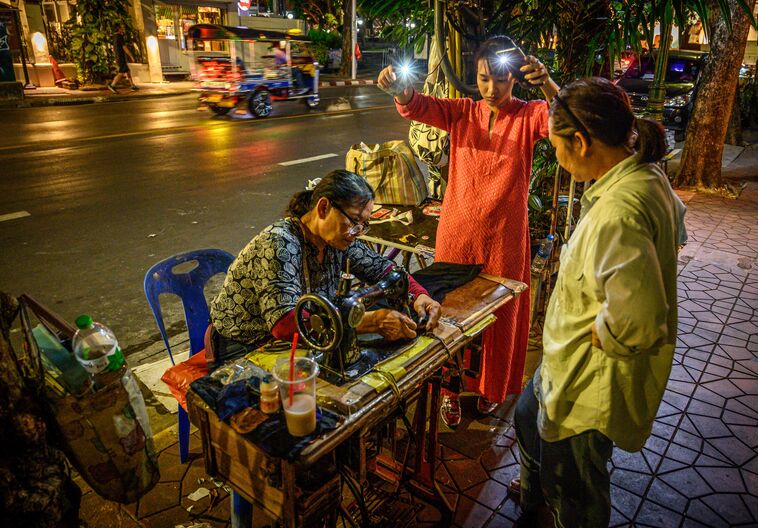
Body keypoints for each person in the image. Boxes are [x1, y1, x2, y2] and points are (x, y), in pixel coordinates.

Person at [510, 77, 685, 527]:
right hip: (563, 365)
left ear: (581, 143)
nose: (556, 157)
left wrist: (599, 332)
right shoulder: (645, 175)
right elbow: (677, 232)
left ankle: (562, 507)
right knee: (528, 416)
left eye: (556, 146)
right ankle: (534, 495)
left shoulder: (617, 213)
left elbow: (642, 320)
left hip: (588, 378)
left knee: (579, 483)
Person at [377, 36, 559, 427]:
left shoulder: (530, 115)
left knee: (500, 317)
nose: (492, 90)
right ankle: (447, 391)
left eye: (501, 80)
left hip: (505, 237)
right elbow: (419, 106)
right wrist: (401, 88)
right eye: (483, 79)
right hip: (457, 233)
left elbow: (566, 118)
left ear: (515, 79)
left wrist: (546, 82)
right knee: (448, 315)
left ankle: (490, 390)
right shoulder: (461, 112)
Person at [209, 169, 442, 368]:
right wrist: (370, 322)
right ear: (323, 208)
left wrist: (420, 296)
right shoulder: (279, 243)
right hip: (244, 346)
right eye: (353, 221)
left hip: (306, 334)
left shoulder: (336, 241)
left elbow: (382, 269)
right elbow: (285, 322)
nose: (356, 233)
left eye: (363, 225)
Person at [107, 25, 138, 93]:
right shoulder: (120, 36)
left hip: (118, 56)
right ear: (118, 29)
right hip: (121, 57)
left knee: (127, 71)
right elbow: (124, 47)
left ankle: (132, 85)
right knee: (121, 72)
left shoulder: (114, 37)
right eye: (121, 28)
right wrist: (131, 56)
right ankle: (112, 85)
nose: (123, 29)